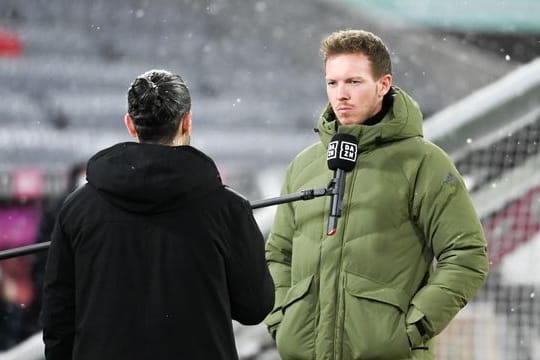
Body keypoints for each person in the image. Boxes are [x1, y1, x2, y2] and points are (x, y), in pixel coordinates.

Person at [264, 30, 489, 359]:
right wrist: (282, 322)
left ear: (383, 85)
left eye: (354, 82)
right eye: (333, 83)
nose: (341, 95)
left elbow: (468, 256)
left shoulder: (423, 163)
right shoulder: (305, 165)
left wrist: (410, 330)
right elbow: (278, 255)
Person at [41, 69, 274, 360]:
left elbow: (58, 319)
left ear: (130, 124)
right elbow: (254, 307)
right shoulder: (229, 209)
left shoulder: (77, 209)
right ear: (187, 121)